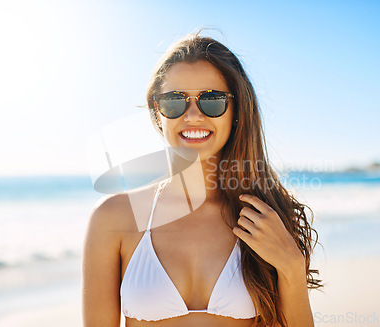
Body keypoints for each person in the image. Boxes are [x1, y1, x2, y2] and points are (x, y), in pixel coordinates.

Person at [83, 31, 323, 327]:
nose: (193, 116)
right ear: (158, 112)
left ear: (237, 110)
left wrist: (291, 267)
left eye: (212, 100)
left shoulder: (267, 218)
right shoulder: (113, 219)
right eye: (174, 101)